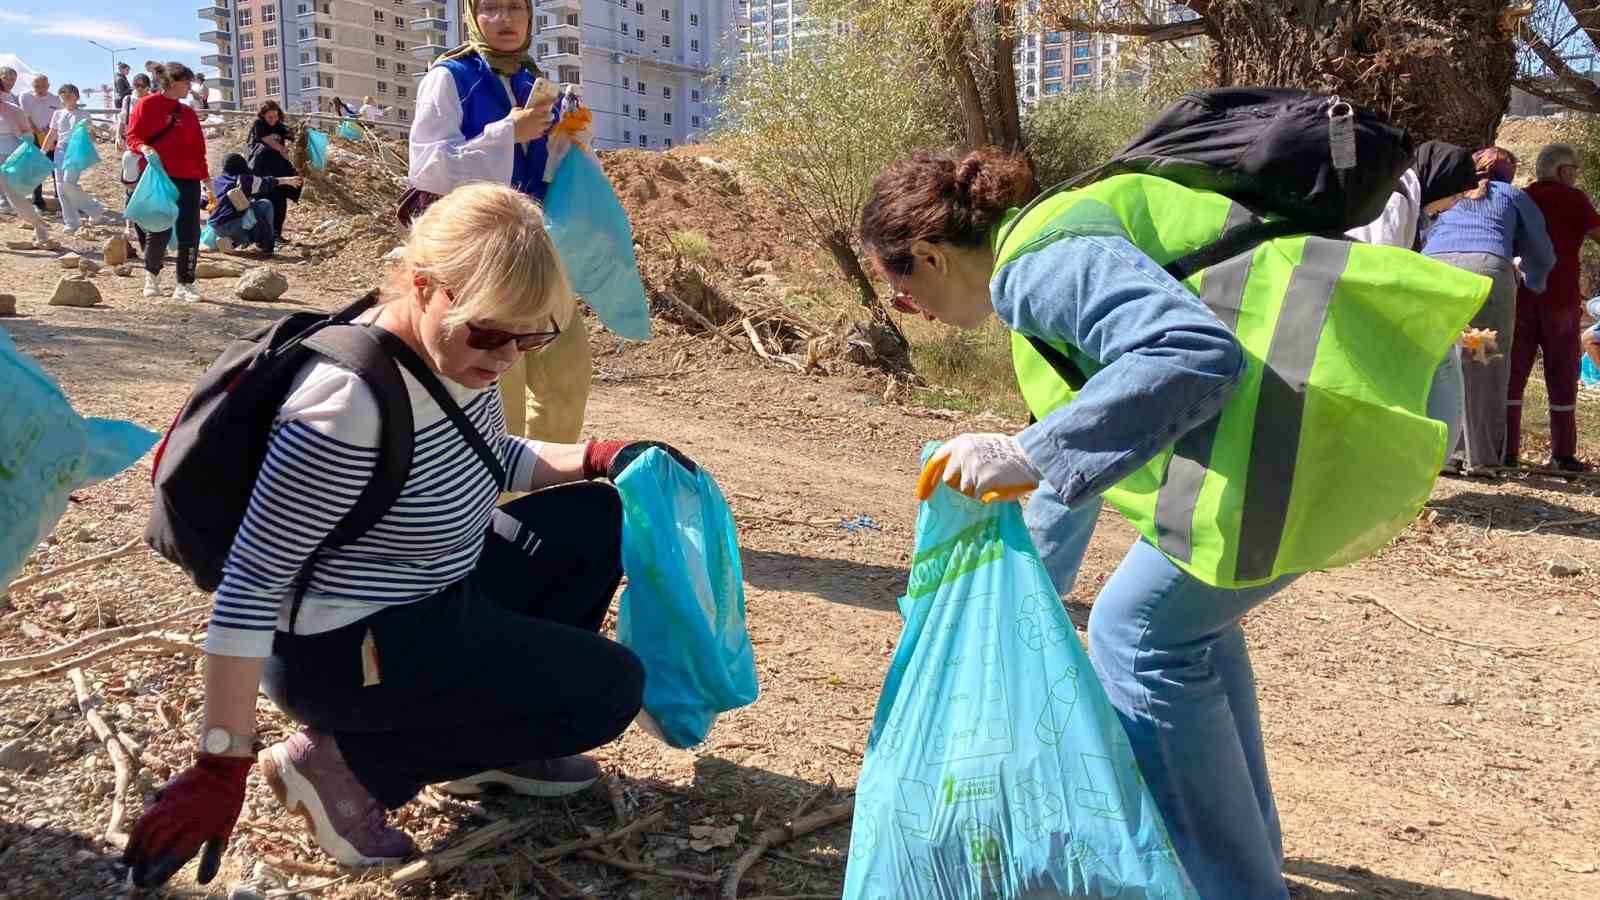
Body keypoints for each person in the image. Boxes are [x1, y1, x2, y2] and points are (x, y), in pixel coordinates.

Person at [119, 183, 691, 886]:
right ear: (424, 287)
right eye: (491, 332)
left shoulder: (456, 351)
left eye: (531, 336)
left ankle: (489, 748)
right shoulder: (344, 408)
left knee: (593, 517)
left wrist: (602, 457)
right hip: (344, 650)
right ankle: (349, 769)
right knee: (608, 689)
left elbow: (485, 455)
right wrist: (220, 759)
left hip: (432, 591)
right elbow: (250, 586)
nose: (509, 356)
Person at [409, 0, 589, 446]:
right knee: (495, 392)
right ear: (472, 15)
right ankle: (495, 504)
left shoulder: (536, 82)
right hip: (479, 255)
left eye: (515, 8)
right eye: (491, 7)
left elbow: (549, 173)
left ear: (530, 18)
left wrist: (572, 140)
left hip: (541, 248)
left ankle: (547, 494)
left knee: (565, 382)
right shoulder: (450, 78)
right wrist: (508, 132)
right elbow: (428, 168)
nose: (505, 19)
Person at [1422, 147, 1555, 476]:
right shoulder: (1511, 194)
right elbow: (1540, 247)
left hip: (1436, 271)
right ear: (1507, 173)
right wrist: (1535, 280)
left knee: (1443, 362)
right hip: (1486, 272)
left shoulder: (1449, 194)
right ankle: (1481, 460)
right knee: (1484, 361)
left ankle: (1445, 454)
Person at [1347, 140, 1481, 461]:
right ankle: (1432, 458)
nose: (1452, 205)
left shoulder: (1405, 198)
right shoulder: (1395, 202)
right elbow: (1384, 270)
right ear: (1442, 181)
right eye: (1457, 195)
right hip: (1363, 307)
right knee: (1443, 361)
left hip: (1371, 306)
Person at [1506, 142, 1599, 472]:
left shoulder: (1523, 196)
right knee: (1561, 375)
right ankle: (1562, 454)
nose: (1576, 175)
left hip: (1522, 297)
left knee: (1513, 374)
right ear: (1562, 170)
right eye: (1573, 168)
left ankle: (1506, 450)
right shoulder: (1574, 199)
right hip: (1560, 298)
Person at [126, 61, 213, 303]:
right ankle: (151, 276)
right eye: (187, 82)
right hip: (158, 176)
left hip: (188, 178)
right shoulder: (147, 105)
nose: (190, 87)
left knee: (190, 231)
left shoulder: (188, 113)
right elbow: (132, 136)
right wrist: (144, 147)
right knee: (159, 227)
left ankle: (185, 283)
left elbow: (198, 149)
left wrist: (207, 179)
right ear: (173, 82)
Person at [40, 83, 115, 234]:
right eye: (63, 93)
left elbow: (91, 135)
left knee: (68, 183)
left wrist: (92, 133)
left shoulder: (84, 114)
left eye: (70, 93)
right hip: (60, 151)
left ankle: (95, 209)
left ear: (76, 95)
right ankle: (71, 222)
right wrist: (43, 150)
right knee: (61, 188)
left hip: (75, 151)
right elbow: (52, 134)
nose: (66, 95)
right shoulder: (58, 114)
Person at [208, 153, 300, 256]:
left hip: (216, 228)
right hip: (234, 226)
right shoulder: (243, 179)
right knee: (264, 205)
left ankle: (230, 242)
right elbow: (265, 182)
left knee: (245, 211)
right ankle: (265, 246)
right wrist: (286, 180)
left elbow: (204, 203)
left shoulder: (215, 181)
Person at [244, 100, 303, 240]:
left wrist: (299, 133)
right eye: (270, 117)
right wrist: (282, 149)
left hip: (278, 170)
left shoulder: (279, 126)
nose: (273, 120)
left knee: (280, 201)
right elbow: (268, 140)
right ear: (263, 116)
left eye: (275, 117)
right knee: (263, 201)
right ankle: (260, 235)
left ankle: (276, 234)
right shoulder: (258, 124)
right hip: (261, 170)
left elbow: (293, 135)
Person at [20, 73, 61, 211]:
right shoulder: (25, 96)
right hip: (34, 137)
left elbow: (59, 117)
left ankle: (59, 198)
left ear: (48, 86)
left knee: (56, 168)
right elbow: (26, 116)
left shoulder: (56, 99)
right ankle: (37, 200)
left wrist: (50, 132)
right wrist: (37, 130)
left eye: (43, 86)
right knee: (35, 169)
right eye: (37, 86)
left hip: (52, 137)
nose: (40, 89)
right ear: (32, 86)